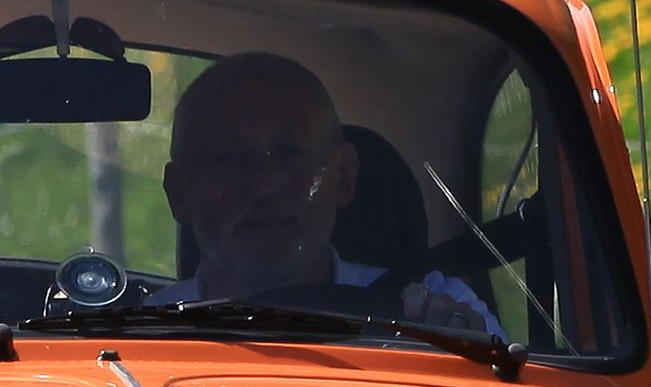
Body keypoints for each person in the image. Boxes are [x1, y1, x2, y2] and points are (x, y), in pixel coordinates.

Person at [160, 52, 502, 339]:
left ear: (343, 176)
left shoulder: (436, 312)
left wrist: (459, 361)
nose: (264, 187)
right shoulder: (133, 336)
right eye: (230, 160)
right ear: (179, 193)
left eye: (290, 155)